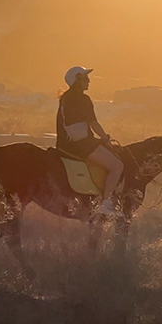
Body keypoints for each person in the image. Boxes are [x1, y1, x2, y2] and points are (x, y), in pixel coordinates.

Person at [57, 66, 124, 216]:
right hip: (81, 144)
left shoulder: (66, 98)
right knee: (117, 166)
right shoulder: (83, 99)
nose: (89, 81)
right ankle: (106, 203)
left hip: (65, 144)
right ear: (77, 81)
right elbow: (93, 123)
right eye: (85, 78)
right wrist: (105, 138)